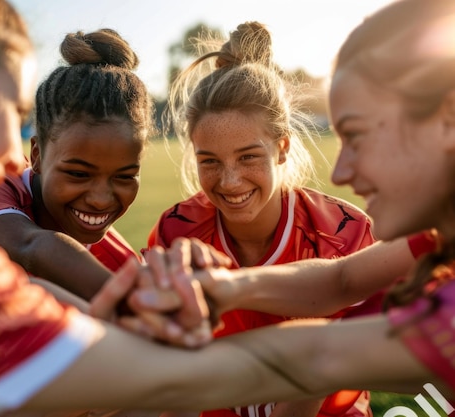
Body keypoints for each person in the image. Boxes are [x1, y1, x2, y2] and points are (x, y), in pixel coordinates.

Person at [126, 0, 455, 406]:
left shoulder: (343, 228)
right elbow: (341, 282)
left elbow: (321, 358)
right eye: (209, 160)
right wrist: (225, 288)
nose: (341, 172)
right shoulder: (438, 237)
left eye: (356, 135)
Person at [149, 21, 380, 417]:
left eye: (248, 156)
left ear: (283, 146)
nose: (230, 180)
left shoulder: (345, 233)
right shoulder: (175, 232)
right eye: (210, 161)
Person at [0, 28, 157, 302]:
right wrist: (137, 303)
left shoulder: (118, 265)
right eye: (78, 173)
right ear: (36, 154)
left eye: (124, 176)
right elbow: (29, 245)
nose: (100, 200)